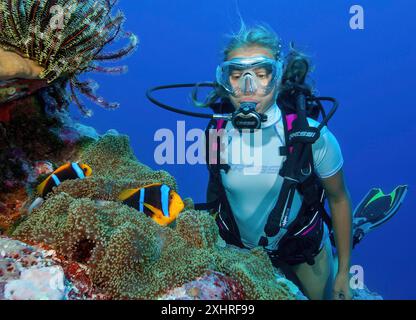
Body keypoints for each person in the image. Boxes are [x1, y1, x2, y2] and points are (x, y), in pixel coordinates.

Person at [201, 24, 352, 300]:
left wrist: (343, 271)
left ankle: (345, 239)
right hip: (240, 251)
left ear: (278, 77)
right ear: (225, 81)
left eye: (261, 74)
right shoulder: (216, 133)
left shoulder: (313, 136)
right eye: (236, 75)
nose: (248, 87)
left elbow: (339, 198)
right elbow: (216, 193)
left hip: (304, 251)